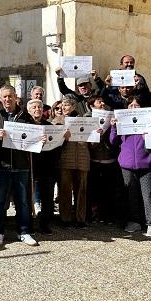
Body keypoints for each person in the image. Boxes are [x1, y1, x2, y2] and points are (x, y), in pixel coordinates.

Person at [0, 85, 39, 246]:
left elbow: (33, 137)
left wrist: (40, 139)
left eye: (10, 96)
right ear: (0, 99)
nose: (7, 100)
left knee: (23, 201)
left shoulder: (26, 116)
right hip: (1, 166)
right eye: (4, 97)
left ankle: (24, 231)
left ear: (16, 96)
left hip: (21, 165)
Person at [109, 96, 151, 237]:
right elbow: (113, 141)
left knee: (148, 194)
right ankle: (135, 221)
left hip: (145, 163)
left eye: (136, 105)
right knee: (131, 194)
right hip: (126, 164)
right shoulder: (123, 123)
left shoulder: (148, 121)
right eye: (130, 105)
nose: (133, 108)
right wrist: (113, 127)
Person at [26, 98, 60, 235]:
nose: (37, 110)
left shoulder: (49, 126)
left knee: (47, 198)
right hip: (30, 166)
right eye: (34, 107)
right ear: (29, 111)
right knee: (28, 198)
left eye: (39, 107)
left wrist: (63, 138)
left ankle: (44, 224)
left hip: (47, 167)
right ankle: (28, 224)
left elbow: (57, 146)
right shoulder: (25, 126)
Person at [85, 94, 121, 224]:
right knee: (94, 189)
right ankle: (93, 214)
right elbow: (87, 142)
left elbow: (114, 141)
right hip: (94, 160)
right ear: (91, 106)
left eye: (103, 102)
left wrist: (113, 127)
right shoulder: (87, 119)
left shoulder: (111, 117)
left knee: (108, 189)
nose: (102, 104)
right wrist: (95, 135)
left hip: (109, 159)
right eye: (99, 102)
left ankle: (107, 215)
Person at [58, 95, 91, 228]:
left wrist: (96, 134)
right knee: (65, 189)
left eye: (66, 105)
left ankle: (80, 218)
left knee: (81, 190)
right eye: (62, 105)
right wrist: (62, 137)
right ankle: (65, 218)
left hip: (82, 159)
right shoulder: (57, 121)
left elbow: (92, 143)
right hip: (65, 160)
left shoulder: (84, 120)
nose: (63, 107)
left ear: (74, 106)